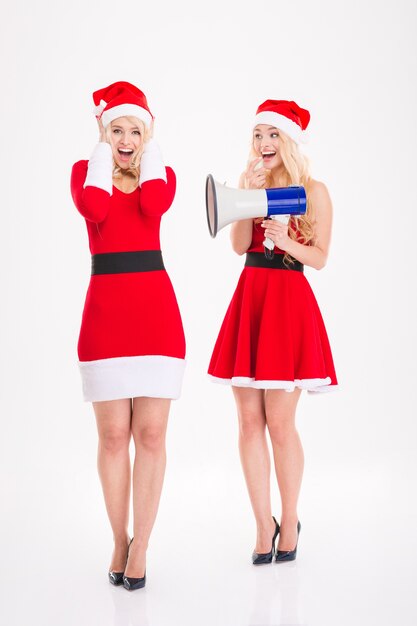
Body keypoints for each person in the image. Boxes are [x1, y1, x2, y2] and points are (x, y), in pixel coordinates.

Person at [208, 99, 337, 563]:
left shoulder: (314, 189)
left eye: (272, 135)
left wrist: (287, 243)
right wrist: (247, 197)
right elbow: (240, 245)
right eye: (257, 135)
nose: (263, 143)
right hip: (252, 296)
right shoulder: (249, 185)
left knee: (280, 424)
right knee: (247, 421)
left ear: (289, 142)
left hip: (288, 303)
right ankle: (263, 524)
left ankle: (290, 516)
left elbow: (321, 256)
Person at [70, 81, 186, 590]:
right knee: (113, 436)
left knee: (152, 436)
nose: (125, 138)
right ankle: (119, 537)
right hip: (105, 317)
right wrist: (101, 154)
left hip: (156, 315)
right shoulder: (84, 174)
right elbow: (96, 210)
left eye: (134, 130)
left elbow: (154, 205)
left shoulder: (163, 176)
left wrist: (151, 154)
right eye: (115, 128)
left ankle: (143, 544)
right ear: (102, 132)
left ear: (147, 135)